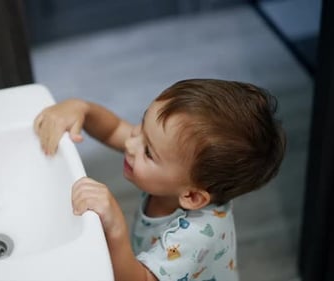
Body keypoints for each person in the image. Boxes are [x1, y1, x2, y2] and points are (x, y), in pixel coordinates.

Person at [33, 79, 286, 281]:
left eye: (148, 152)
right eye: (142, 126)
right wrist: (82, 109)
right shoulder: (171, 168)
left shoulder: (198, 236)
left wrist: (116, 227)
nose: (130, 144)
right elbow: (113, 130)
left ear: (192, 197)